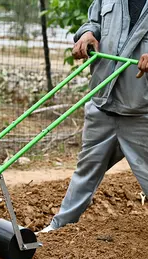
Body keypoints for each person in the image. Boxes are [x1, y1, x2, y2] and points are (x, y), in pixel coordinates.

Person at [38, 0, 148, 233]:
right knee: (85, 171)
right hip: (102, 103)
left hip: (141, 113)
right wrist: (88, 33)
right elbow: (94, 22)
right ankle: (58, 228)